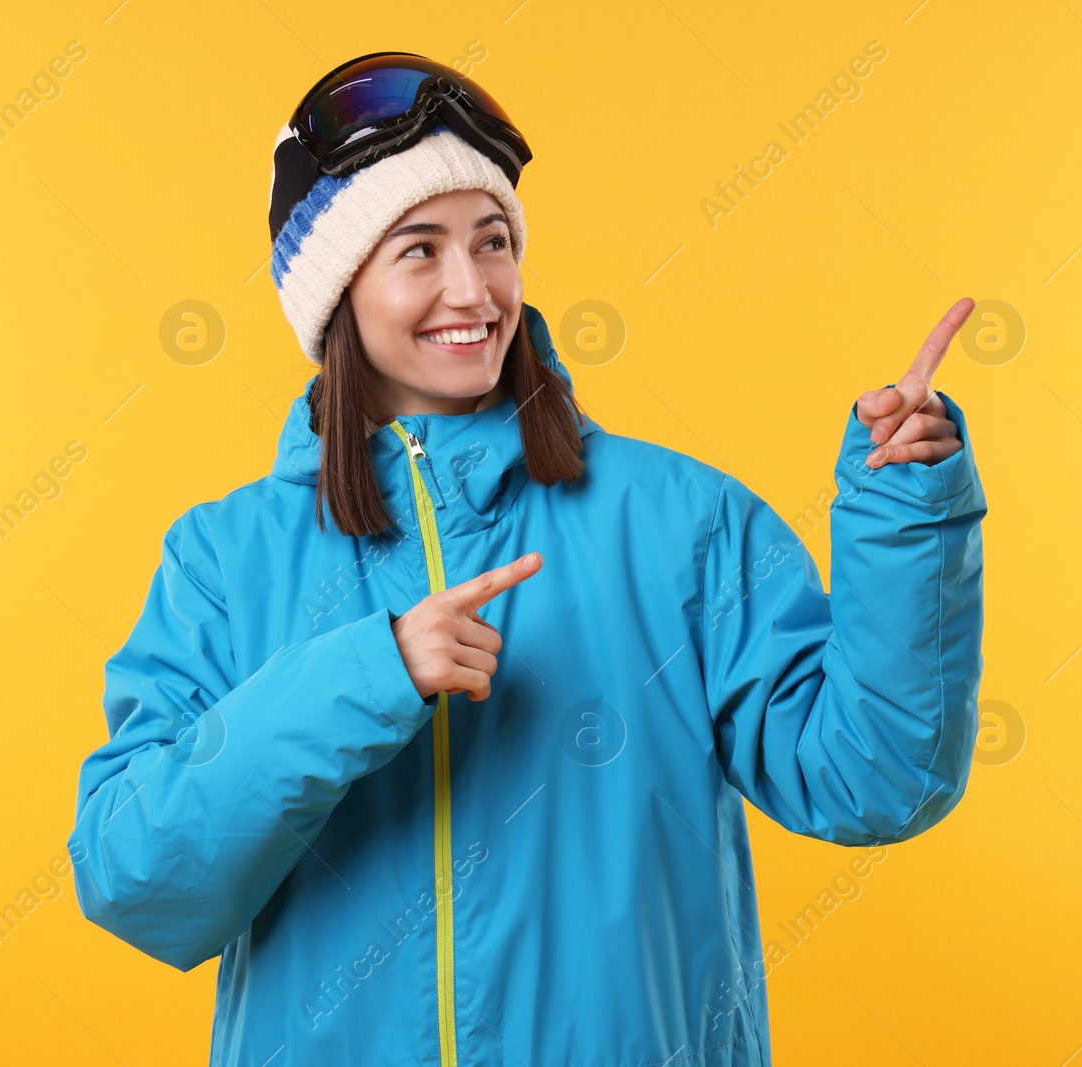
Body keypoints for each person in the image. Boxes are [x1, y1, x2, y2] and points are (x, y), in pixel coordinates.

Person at [66, 52, 988, 1066]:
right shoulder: (225, 558)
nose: (474, 289)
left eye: (492, 241)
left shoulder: (683, 522)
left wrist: (905, 511)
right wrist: (368, 672)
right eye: (418, 249)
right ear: (337, 292)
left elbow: (874, 779)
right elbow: (138, 879)